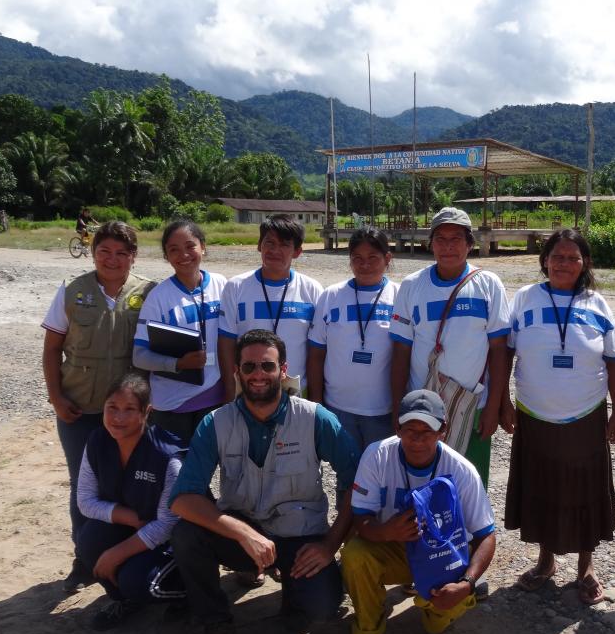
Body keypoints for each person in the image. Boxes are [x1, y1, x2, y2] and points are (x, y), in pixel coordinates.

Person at [169, 329, 360, 634]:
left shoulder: (317, 419)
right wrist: (241, 532)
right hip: (246, 534)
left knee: (322, 606)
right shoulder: (216, 423)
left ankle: (295, 606)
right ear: (237, 372)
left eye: (267, 366)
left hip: (300, 537)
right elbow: (183, 499)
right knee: (186, 534)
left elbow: (357, 485)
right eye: (250, 366)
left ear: (282, 370)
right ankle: (213, 623)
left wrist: (329, 544)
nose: (258, 374)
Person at [503, 229, 615, 605]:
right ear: (544, 261)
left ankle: (586, 567)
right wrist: (504, 402)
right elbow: (505, 354)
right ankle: (545, 562)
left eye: (573, 257)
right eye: (557, 256)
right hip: (534, 416)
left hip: (585, 416)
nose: (564, 263)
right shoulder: (524, 299)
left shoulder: (598, 304)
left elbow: (614, 362)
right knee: (542, 488)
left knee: (585, 491)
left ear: (584, 263)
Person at [341, 389, 497, 634]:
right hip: (393, 548)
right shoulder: (377, 456)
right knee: (354, 555)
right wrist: (386, 532)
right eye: (410, 430)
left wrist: (467, 583)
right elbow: (360, 518)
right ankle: (369, 628)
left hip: (441, 558)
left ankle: (437, 617)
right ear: (397, 429)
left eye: (427, 432)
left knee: (458, 588)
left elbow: (486, 535)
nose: (417, 440)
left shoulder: (461, 470)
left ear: (443, 432)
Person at [41, 221, 154, 594]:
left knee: (129, 485)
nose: (113, 259)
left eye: (122, 252)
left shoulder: (148, 293)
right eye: (105, 251)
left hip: (129, 413)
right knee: (83, 486)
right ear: (93, 253)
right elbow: (52, 349)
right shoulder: (72, 292)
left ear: (133, 256)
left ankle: (129, 555)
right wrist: (56, 398)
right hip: (80, 409)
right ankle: (84, 559)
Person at [390, 206, 511, 487]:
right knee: (421, 482)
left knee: (470, 480)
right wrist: (398, 406)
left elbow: (499, 350)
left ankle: (471, 531)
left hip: (472, 404)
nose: (448, 246)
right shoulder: (411, 286)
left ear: (470, 243)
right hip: (421, 407)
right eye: (440, 239)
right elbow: (400, 352)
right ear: (429, 243)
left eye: (456, 239)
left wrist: (494, 407)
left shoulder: (488, 284)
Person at [75, 372, 185, 630]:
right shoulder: (97, 441)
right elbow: (85, 500)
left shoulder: (167, 457)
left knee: (138, 581)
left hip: (172, 539)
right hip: (137, 524)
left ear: (147, 412)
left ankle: (190, 592)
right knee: (88, 543)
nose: (118, 418)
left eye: (129, 409)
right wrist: (130, 518)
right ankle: (124, 600)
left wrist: (116, 554)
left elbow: (168, 524)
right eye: (112, 408)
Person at [132, 220, 228, 447]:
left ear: (202, 247)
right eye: (173, 250)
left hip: (215, 399)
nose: (183, 254)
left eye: (190, 246)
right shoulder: (158, 297)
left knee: (206, 470)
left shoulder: (222, 284)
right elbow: (139, 356)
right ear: (166, 256)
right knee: (177, 473)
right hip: (173, 404)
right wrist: (178, 363)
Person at [306, 226, 399, 450]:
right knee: (346, 474)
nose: (364, 265)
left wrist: (399, 406)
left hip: (382, 409)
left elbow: (404, 355)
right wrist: (317, 404)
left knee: (379, 473)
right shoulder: (331, 296)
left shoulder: (399, 296)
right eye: (357, 258)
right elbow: (317, 354)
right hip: (339, 407)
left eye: (373, 258)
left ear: (387, 258)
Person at [218, 214, 323, 400]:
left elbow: (316, 350)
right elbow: (226, 343)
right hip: (249, 389)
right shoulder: (235, 287)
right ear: (259, 245)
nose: (275, 250)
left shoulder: (312, 289)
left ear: (297, 251)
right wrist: (229, 391)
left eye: (284, 245)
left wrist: (316, 399)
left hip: (295, 393)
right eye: (269, 243)